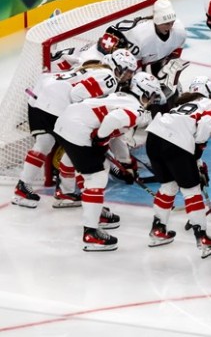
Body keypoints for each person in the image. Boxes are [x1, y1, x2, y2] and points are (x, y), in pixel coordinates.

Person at [12, 49, 137, 209]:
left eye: (131, 72)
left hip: (39, 95)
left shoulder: (96, 67)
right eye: (126, 71)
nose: (128, 76)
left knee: (44, 144)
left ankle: (22, 187)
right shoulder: (109, 78)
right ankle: (65, 192)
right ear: (117, 67)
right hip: (55, 104)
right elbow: (77, 94)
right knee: (74, 148)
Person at [52, 71, 160, 251]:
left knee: (89, 165)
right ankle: (91, 232)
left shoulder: (119, 96)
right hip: (79, 130)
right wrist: (101, 138)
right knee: (98, 175)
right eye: (152, 96)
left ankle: (79, 201)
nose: (152, 100)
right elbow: (113, 119)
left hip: (64, 123)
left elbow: (117, 137)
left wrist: (125, 162)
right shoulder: (137, 109)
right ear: (144, 94)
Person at [145, 75, 211, 258]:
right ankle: (202, 237)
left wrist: (195, 159)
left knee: (168, 186)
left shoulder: (179, 106)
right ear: (209, 92)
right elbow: (205, 126)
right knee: (192, 191)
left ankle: (158, 230)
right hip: (176, 142)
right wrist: (198, 150)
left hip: (154, 138)